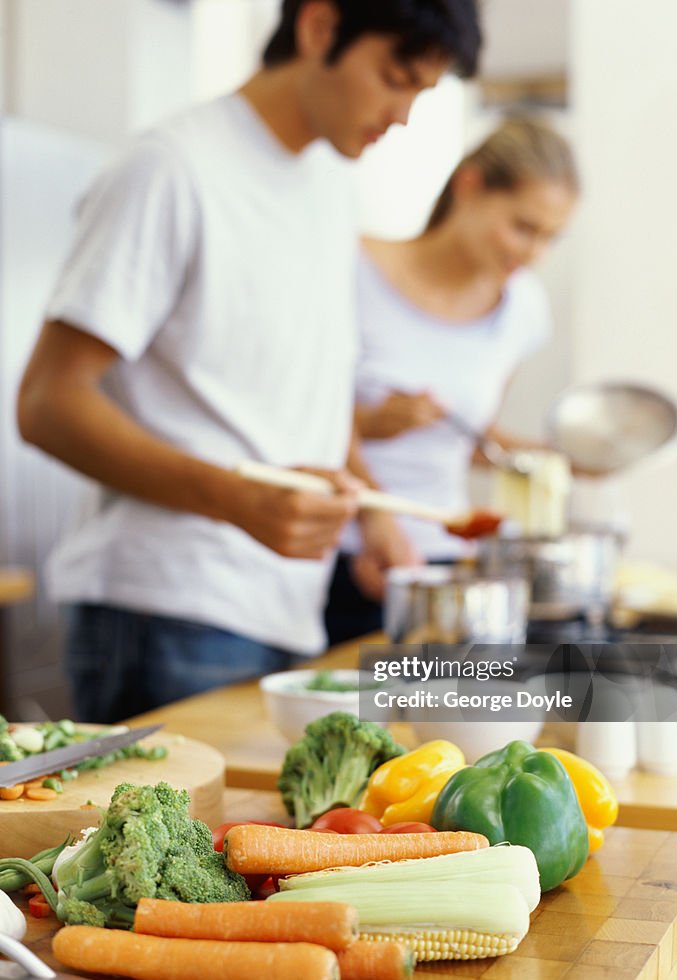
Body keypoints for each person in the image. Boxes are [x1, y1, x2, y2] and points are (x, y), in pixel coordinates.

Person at [16, 0, 482, 722]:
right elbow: (47, 403)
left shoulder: (329, 183)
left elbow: (308, 393)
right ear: (320, 26)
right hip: (165, 611)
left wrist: (373, 517)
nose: (402, 115)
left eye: (421, 92)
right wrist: (234, 498)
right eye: (395, 78)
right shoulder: (170, 169)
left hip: (283, 607)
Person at [325, 115, 579, 644]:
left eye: (550, 238)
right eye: (523, 226)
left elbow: (471, 437)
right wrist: (370, 428)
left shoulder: (523, 309)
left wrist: (561, 459)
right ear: (469, 185)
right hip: (346, 555)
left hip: (444, 559)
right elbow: (301, 412)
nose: (533, 254)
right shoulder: (349, 269)